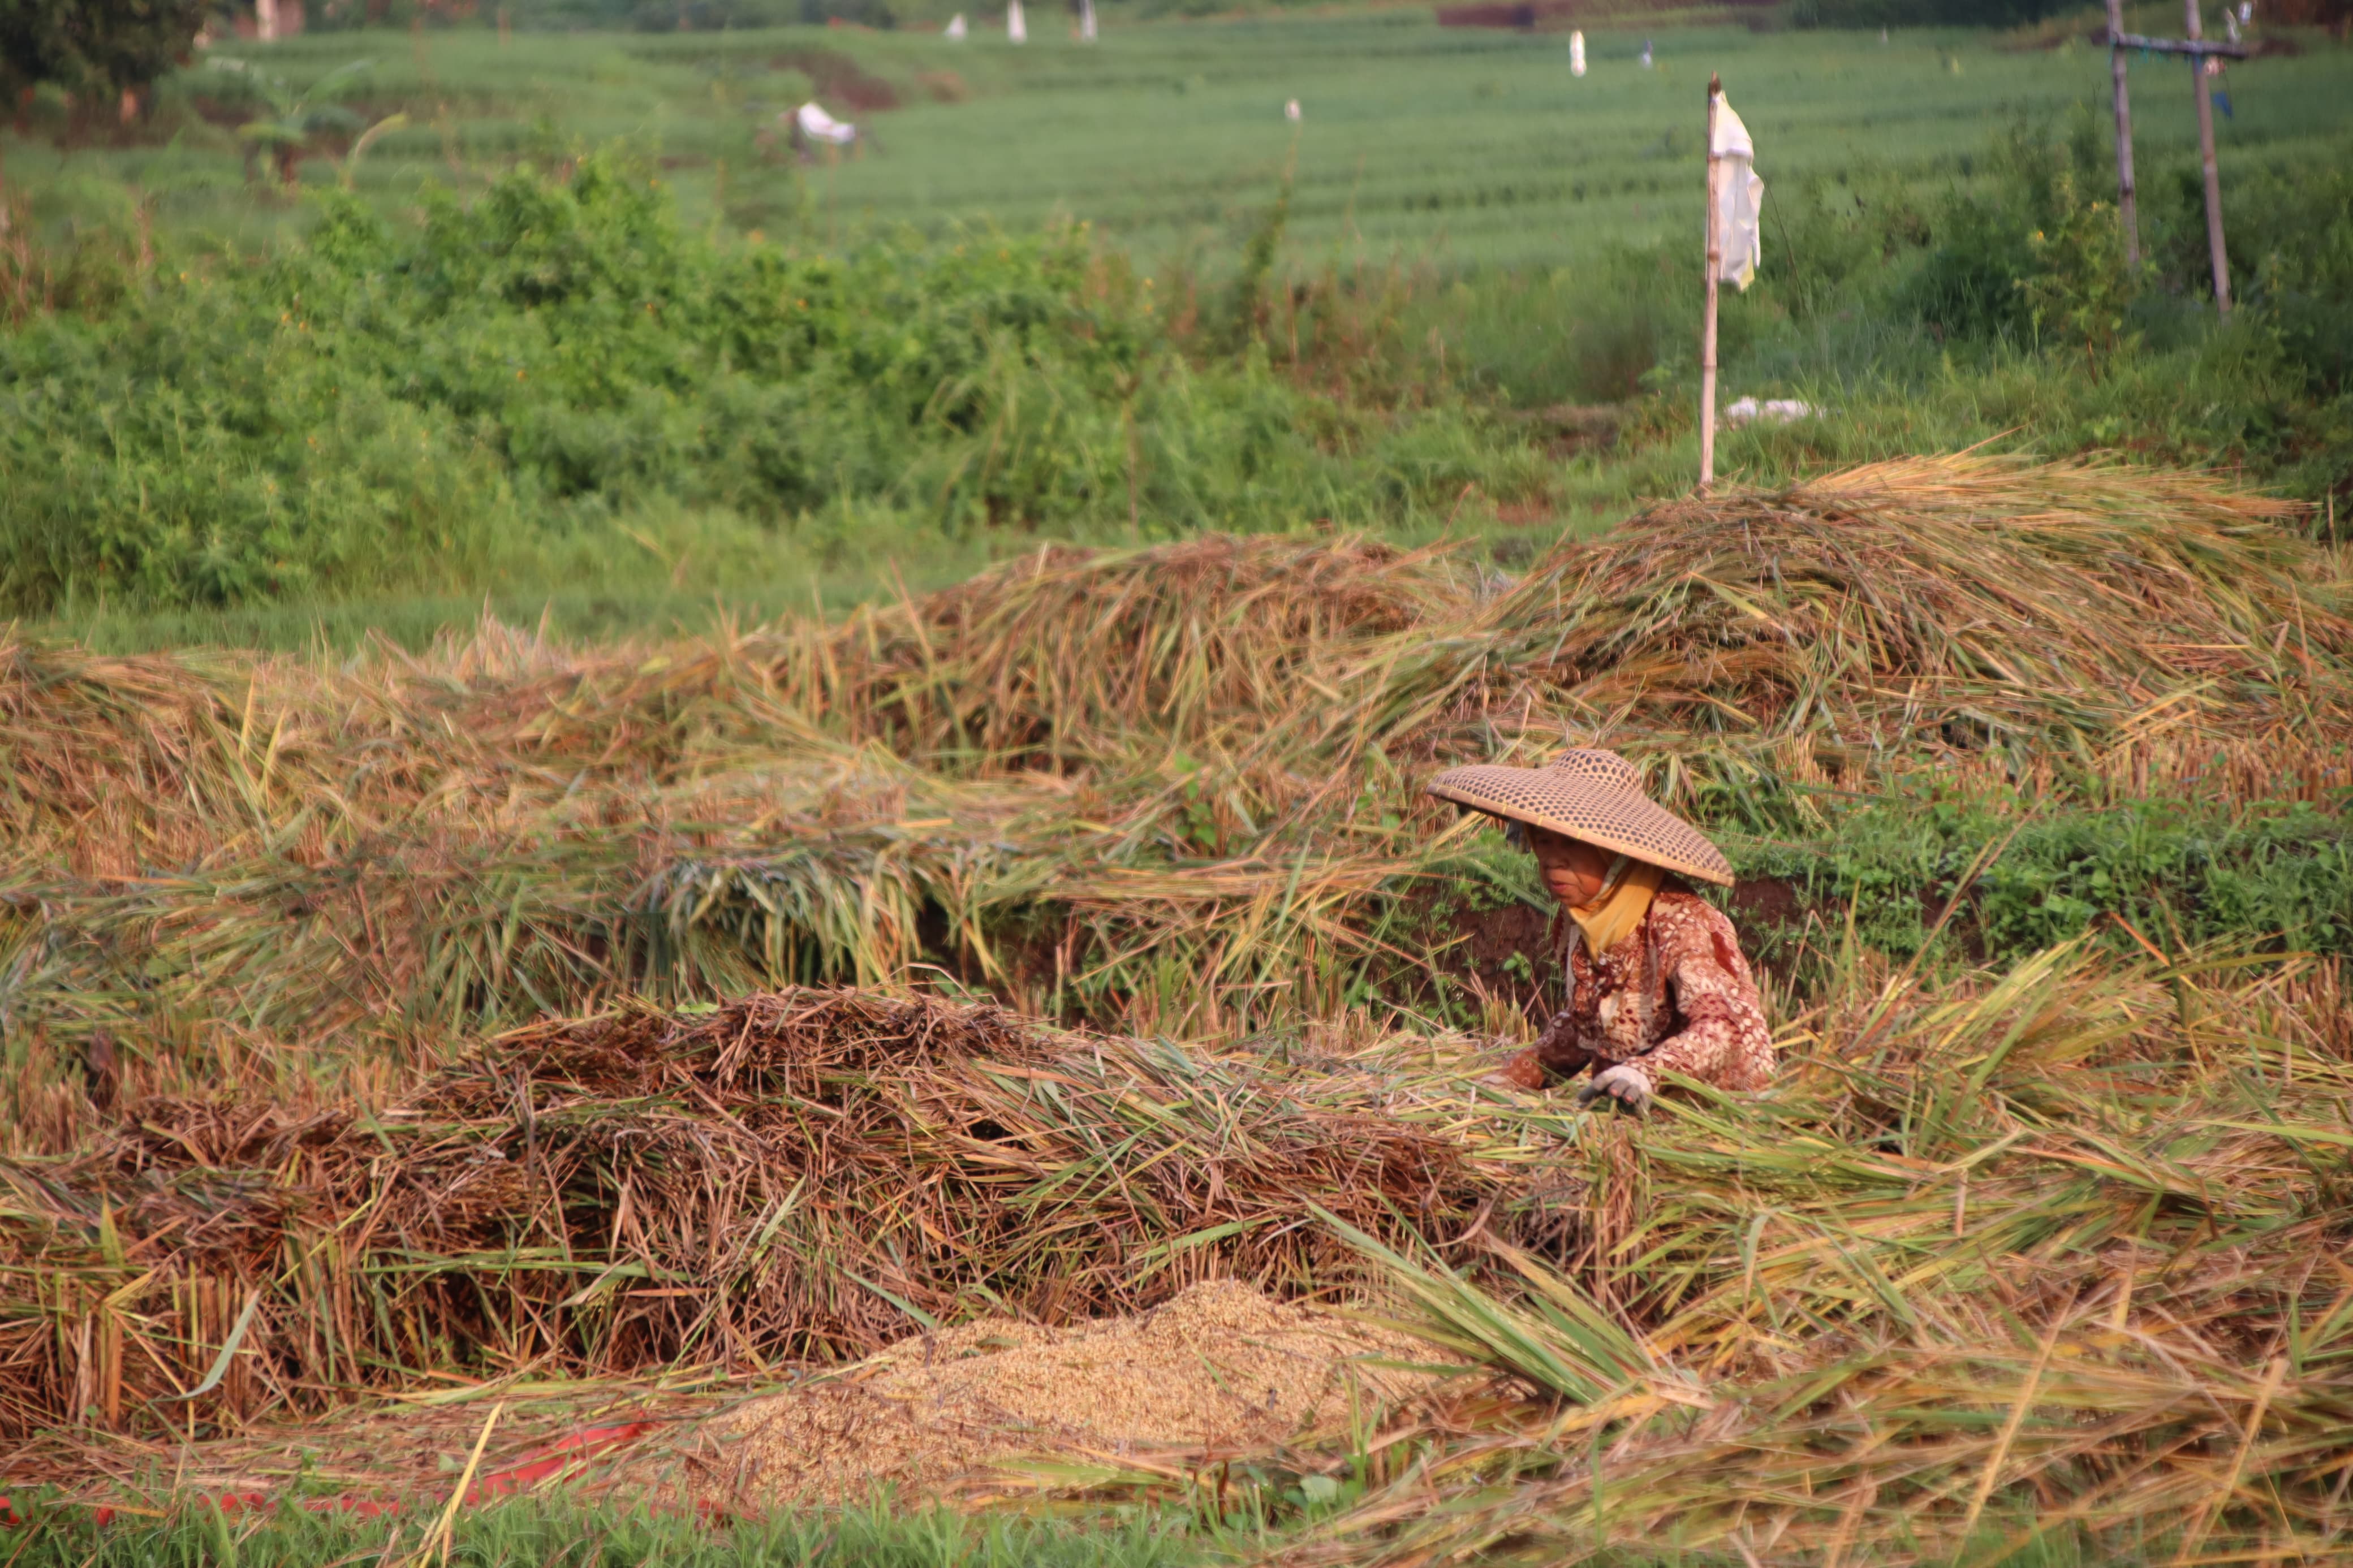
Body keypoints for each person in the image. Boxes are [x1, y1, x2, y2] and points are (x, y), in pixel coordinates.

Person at [1425, 749, 1773, 1113]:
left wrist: (1647, 1074)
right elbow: (1588, 1024)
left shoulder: (1678, 919)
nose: (1552, 859)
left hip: (1709, 1110)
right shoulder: (1578, 921)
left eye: (1572, 843)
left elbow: (1721, 1029)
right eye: (1543, 841)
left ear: (1613, 852)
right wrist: (1514, 1076)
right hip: (1622, 1111)